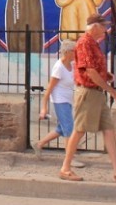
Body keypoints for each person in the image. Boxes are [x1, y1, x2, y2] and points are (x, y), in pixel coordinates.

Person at [59, 14, 116, 183]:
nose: (106, 29)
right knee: (79, 129)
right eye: (103, 26)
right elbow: (90, 71)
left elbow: (94, 70)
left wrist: (106, 75)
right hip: (88, 93)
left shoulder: (93, 43)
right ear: (94, 26)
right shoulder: (85, 43)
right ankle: (65, 168)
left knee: (108, 130)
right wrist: (113, 92)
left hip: (96, 93)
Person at [35, 39, 84, 168]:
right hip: (59, 100)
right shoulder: (59, 67)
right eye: (74, 51)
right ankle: (70, 158)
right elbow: (49, 88)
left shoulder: (71, 65)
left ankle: (39, 144)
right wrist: (44, 107)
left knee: (61, 128)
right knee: (69, 129)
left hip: (67, 100)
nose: (76, 54)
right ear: (67, 52)